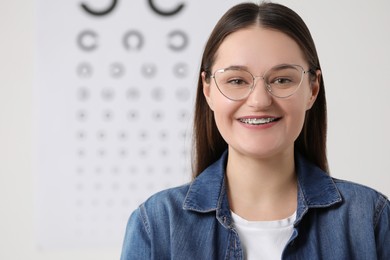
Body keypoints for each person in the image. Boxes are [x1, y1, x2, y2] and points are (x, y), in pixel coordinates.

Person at [121, 2, 390, 259]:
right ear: (208, 90)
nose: (260, 101)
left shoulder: (370, 218)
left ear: (313, 89)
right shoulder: (156, 224)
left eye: (282, 79)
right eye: (236, 80)